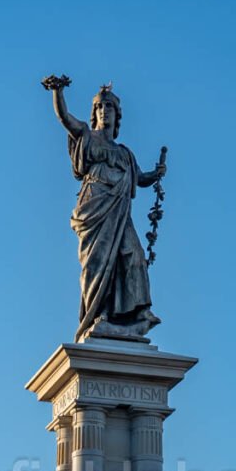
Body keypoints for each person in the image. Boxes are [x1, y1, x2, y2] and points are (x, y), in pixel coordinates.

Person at [42, 76, 166, 341]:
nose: (104, 111)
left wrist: (156, 174)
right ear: (94, 112)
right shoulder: (87, 135)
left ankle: (136, 315)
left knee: (133, 254)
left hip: (120, 212)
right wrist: (58, 92)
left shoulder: (124, 153)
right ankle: (98, 316)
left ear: (117, 115)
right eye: (99, 107)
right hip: (95, 207)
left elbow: (139, 178)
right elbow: (65, 119)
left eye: (109, 107)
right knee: (96, 264)